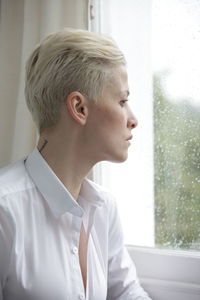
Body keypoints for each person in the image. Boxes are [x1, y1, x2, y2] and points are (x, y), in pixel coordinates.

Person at [0, 28, 152, 300]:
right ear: (79, 108)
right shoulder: (4, 211)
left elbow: (127, 293)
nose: (133, 119)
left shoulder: (104, 207)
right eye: (123, 100)